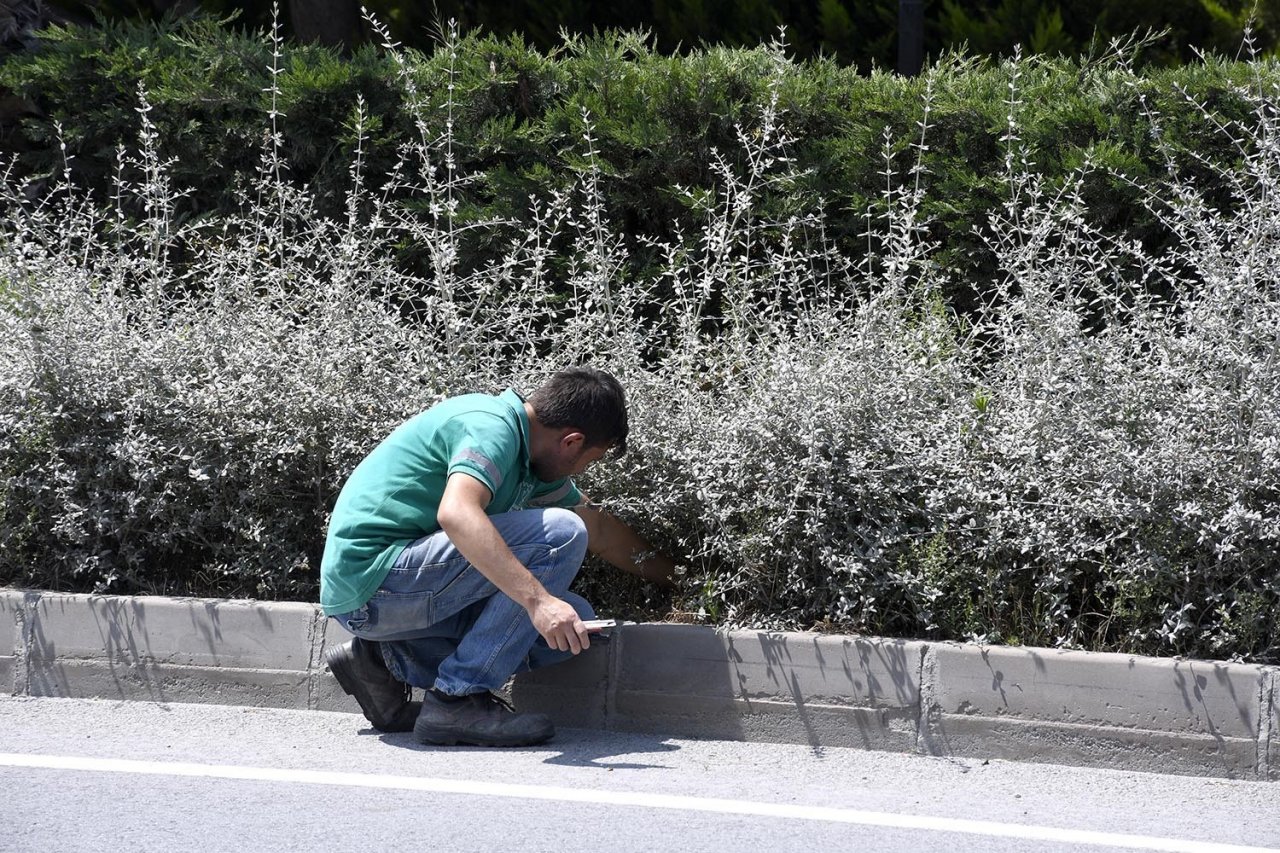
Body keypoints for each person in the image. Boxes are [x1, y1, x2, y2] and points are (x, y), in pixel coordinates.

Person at [320, 367, 675, 747]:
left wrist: (681, 578)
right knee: (562, 533)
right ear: (571, 442)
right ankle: (456, 700)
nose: (582, 470)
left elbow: (601, 531)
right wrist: (537, 602)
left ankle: (379, 660)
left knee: (576, 623)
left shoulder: (534, 461)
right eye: (589, 460)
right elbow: (457, 513)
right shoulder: (491, 429)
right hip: (375, 583)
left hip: (396, 594)